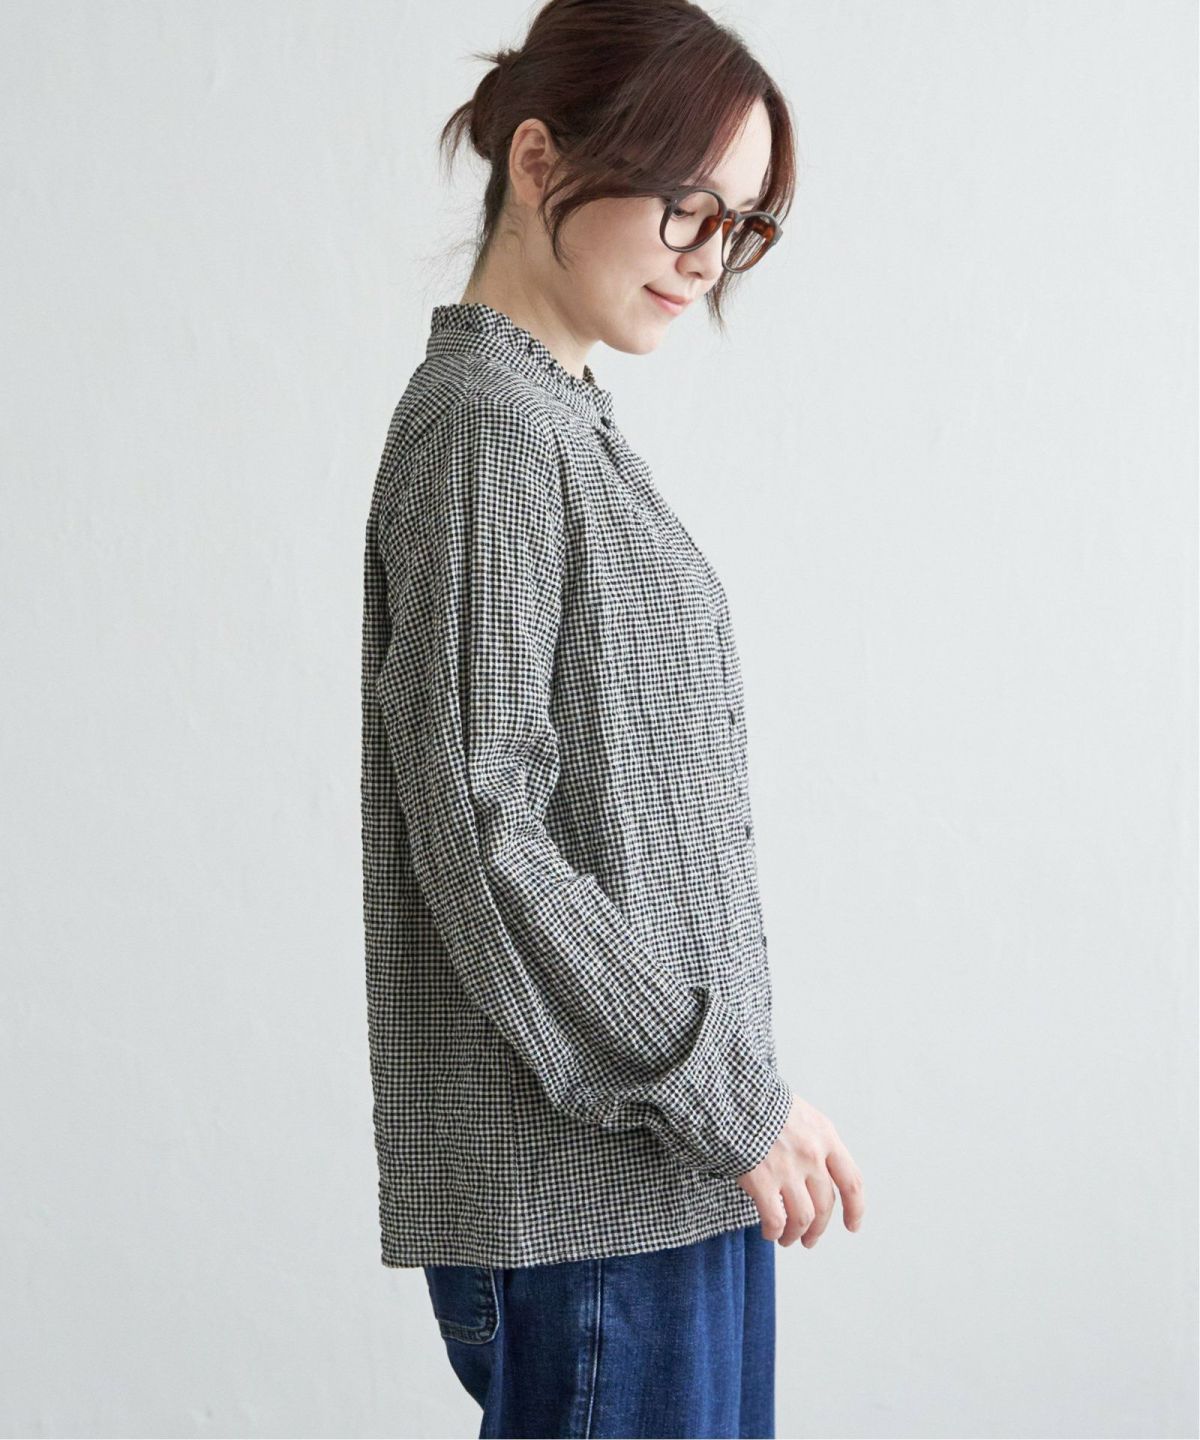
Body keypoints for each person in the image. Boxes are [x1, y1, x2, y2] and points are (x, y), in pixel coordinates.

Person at [359, 2, 866, 1434]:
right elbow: (485, 829)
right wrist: (728, 1098)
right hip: (595, 1199)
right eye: (685, 203)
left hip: (668, 1171)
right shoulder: (488, 423)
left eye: (739, 224)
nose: (706, 256)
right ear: (539, 162)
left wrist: (736, 1104)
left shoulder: (559, 418)